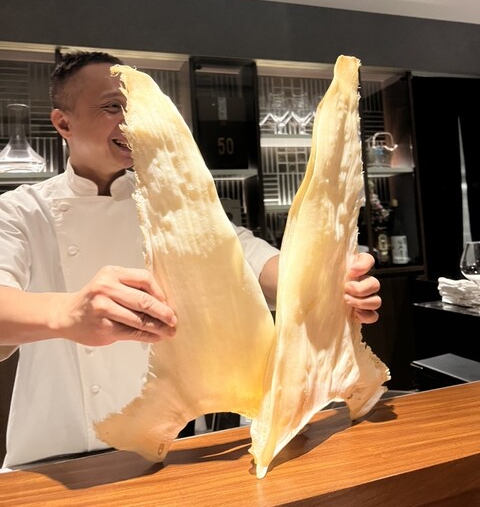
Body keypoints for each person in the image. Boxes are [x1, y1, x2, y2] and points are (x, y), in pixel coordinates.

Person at [0, 50, 381, 469]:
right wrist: (70, 312)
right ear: (63, 123)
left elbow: (250, 259)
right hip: (53, 455)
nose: (130, 120)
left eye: (134, 107)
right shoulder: (21, 210)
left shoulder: (170, 197)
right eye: (112, 107)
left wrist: (327, 284)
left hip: (163, 451)